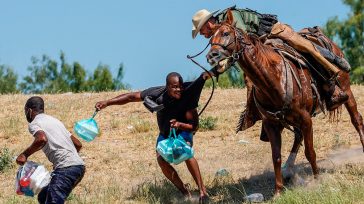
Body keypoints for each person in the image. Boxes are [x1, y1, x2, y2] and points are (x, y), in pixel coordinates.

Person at [192, 7, 351, 137]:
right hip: (260, 48)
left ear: (209, 23)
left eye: (201, 29)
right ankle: (263, 114)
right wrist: (216, 67)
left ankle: (332, 84)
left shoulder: (231, 18)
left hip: (273, 34)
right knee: (251, 79)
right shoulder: (220, 34)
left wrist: (222, 65)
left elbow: (243, 42)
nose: (201, 34)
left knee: (304, 50)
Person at [95, 72, 211, 202]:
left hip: (183, 130)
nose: (178, 89)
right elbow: (131, 97)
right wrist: (107, 102)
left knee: (185, 152)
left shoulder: (187, 97)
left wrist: (179, 125)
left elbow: (194, 127)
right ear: (167, 86)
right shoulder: (157, 93)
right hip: (165, 134)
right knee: (161, 160)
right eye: (174, 87)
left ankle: (202, 192)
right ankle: (185, 192)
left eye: (180, 86)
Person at [16, 96, 85, 204]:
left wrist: (24, 154)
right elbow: (78, 144)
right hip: (79, 167)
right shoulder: (55, 121)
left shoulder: (35, 123)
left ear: (29, 110)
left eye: (25, 111)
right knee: (44, 197)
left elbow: (41, 139)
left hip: (66, 169)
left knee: (53, 201)